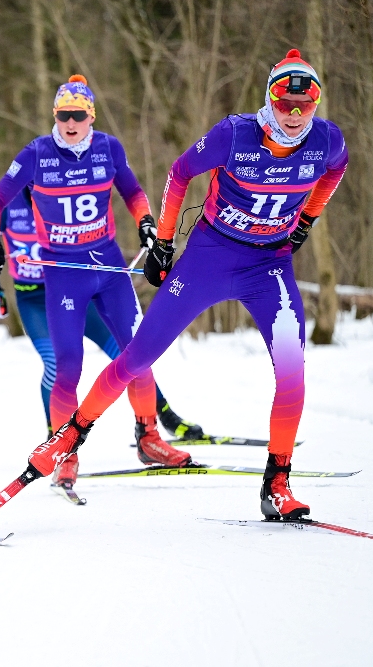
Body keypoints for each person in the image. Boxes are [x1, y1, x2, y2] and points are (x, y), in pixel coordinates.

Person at [21, 50, 347, 521]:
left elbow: (336, 170)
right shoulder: (234, 135)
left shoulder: (326, 141)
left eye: (306, 103)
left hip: (269, 266)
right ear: (269, 98)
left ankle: (277, 484)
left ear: (317, 102)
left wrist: (307, 220)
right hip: (210, 259)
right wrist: (164, 244)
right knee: (137, 356)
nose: (295, 115)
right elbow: (179, 173)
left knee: (293, 373)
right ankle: (70, 435)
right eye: (284, 101)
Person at [0, 75, 191, 489]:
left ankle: (149, 438)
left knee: (139, 352)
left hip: (108, 266)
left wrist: (147, 224)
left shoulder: (109, 148)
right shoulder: (37, 153)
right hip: (63, 273)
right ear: (54, 116)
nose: (70, 122)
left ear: (90, 116)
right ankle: (64, 452)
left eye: (78, 115)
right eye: (63, 115)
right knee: (68, 367)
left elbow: (133, 192)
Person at [0, 186, 208, 439]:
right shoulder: (9, 204)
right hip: (35, 299)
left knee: (129, 354)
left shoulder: (67, 200)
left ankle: (165, 416)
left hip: (75, 292)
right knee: (55, 365)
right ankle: (56, 438)